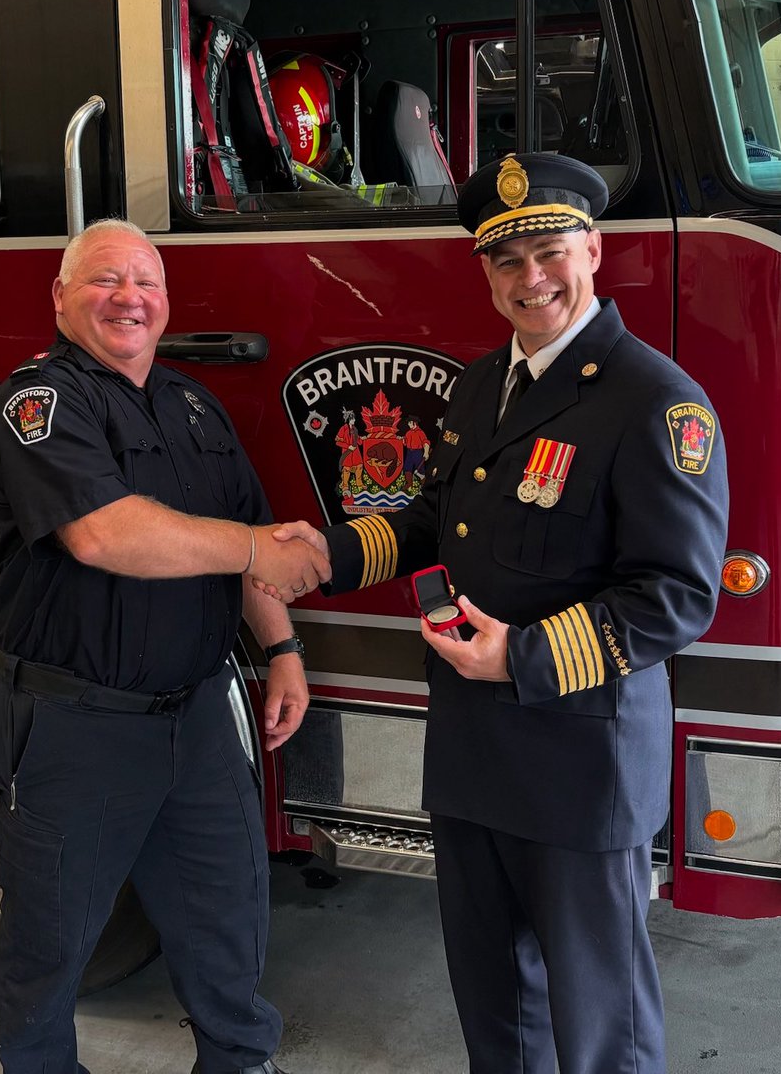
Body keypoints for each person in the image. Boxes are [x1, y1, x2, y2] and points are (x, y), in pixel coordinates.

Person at [269, 154, 729, 1074]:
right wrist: (327, 553)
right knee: (495, 1013)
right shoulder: (481, 386)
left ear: (592, 251)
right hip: (473, 752)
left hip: (579, 764)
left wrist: (522, 657)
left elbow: (677, 593)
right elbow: (434, 521)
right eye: (507, 261)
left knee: (602, 1030)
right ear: (485, 273)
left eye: (550, 252)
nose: (532, 279)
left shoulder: (656, 402)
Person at [0, 218, 328, 1074]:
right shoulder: (38, 403)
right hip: (75, 726)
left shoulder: (192, 405)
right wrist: (256, 549)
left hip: (198, 717)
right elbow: (103, 534)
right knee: (50, 949)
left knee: (228, 923)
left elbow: (242, 539)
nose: (128, 298)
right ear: (60, 297)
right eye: (105, 279)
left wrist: (282, 649)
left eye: (147, 282)